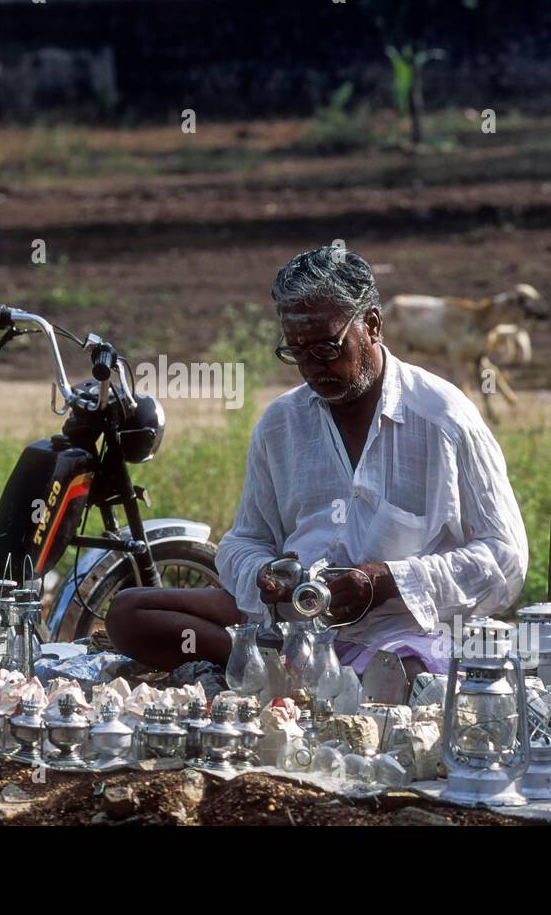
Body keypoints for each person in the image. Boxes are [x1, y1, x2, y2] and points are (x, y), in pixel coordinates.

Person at [105, 247, 528, 683]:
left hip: (402, 628)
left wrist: (389, 581)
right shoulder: (282, 422)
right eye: (298, 352)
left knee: (407, 671)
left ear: (373, 325)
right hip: (296, 618)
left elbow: (506, 559)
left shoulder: (442, 417)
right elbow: (243, 542)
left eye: (328, 347)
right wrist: (265, 573)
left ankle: (282, 670)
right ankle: (289, 666)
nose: (312, 367)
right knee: (130, 613)